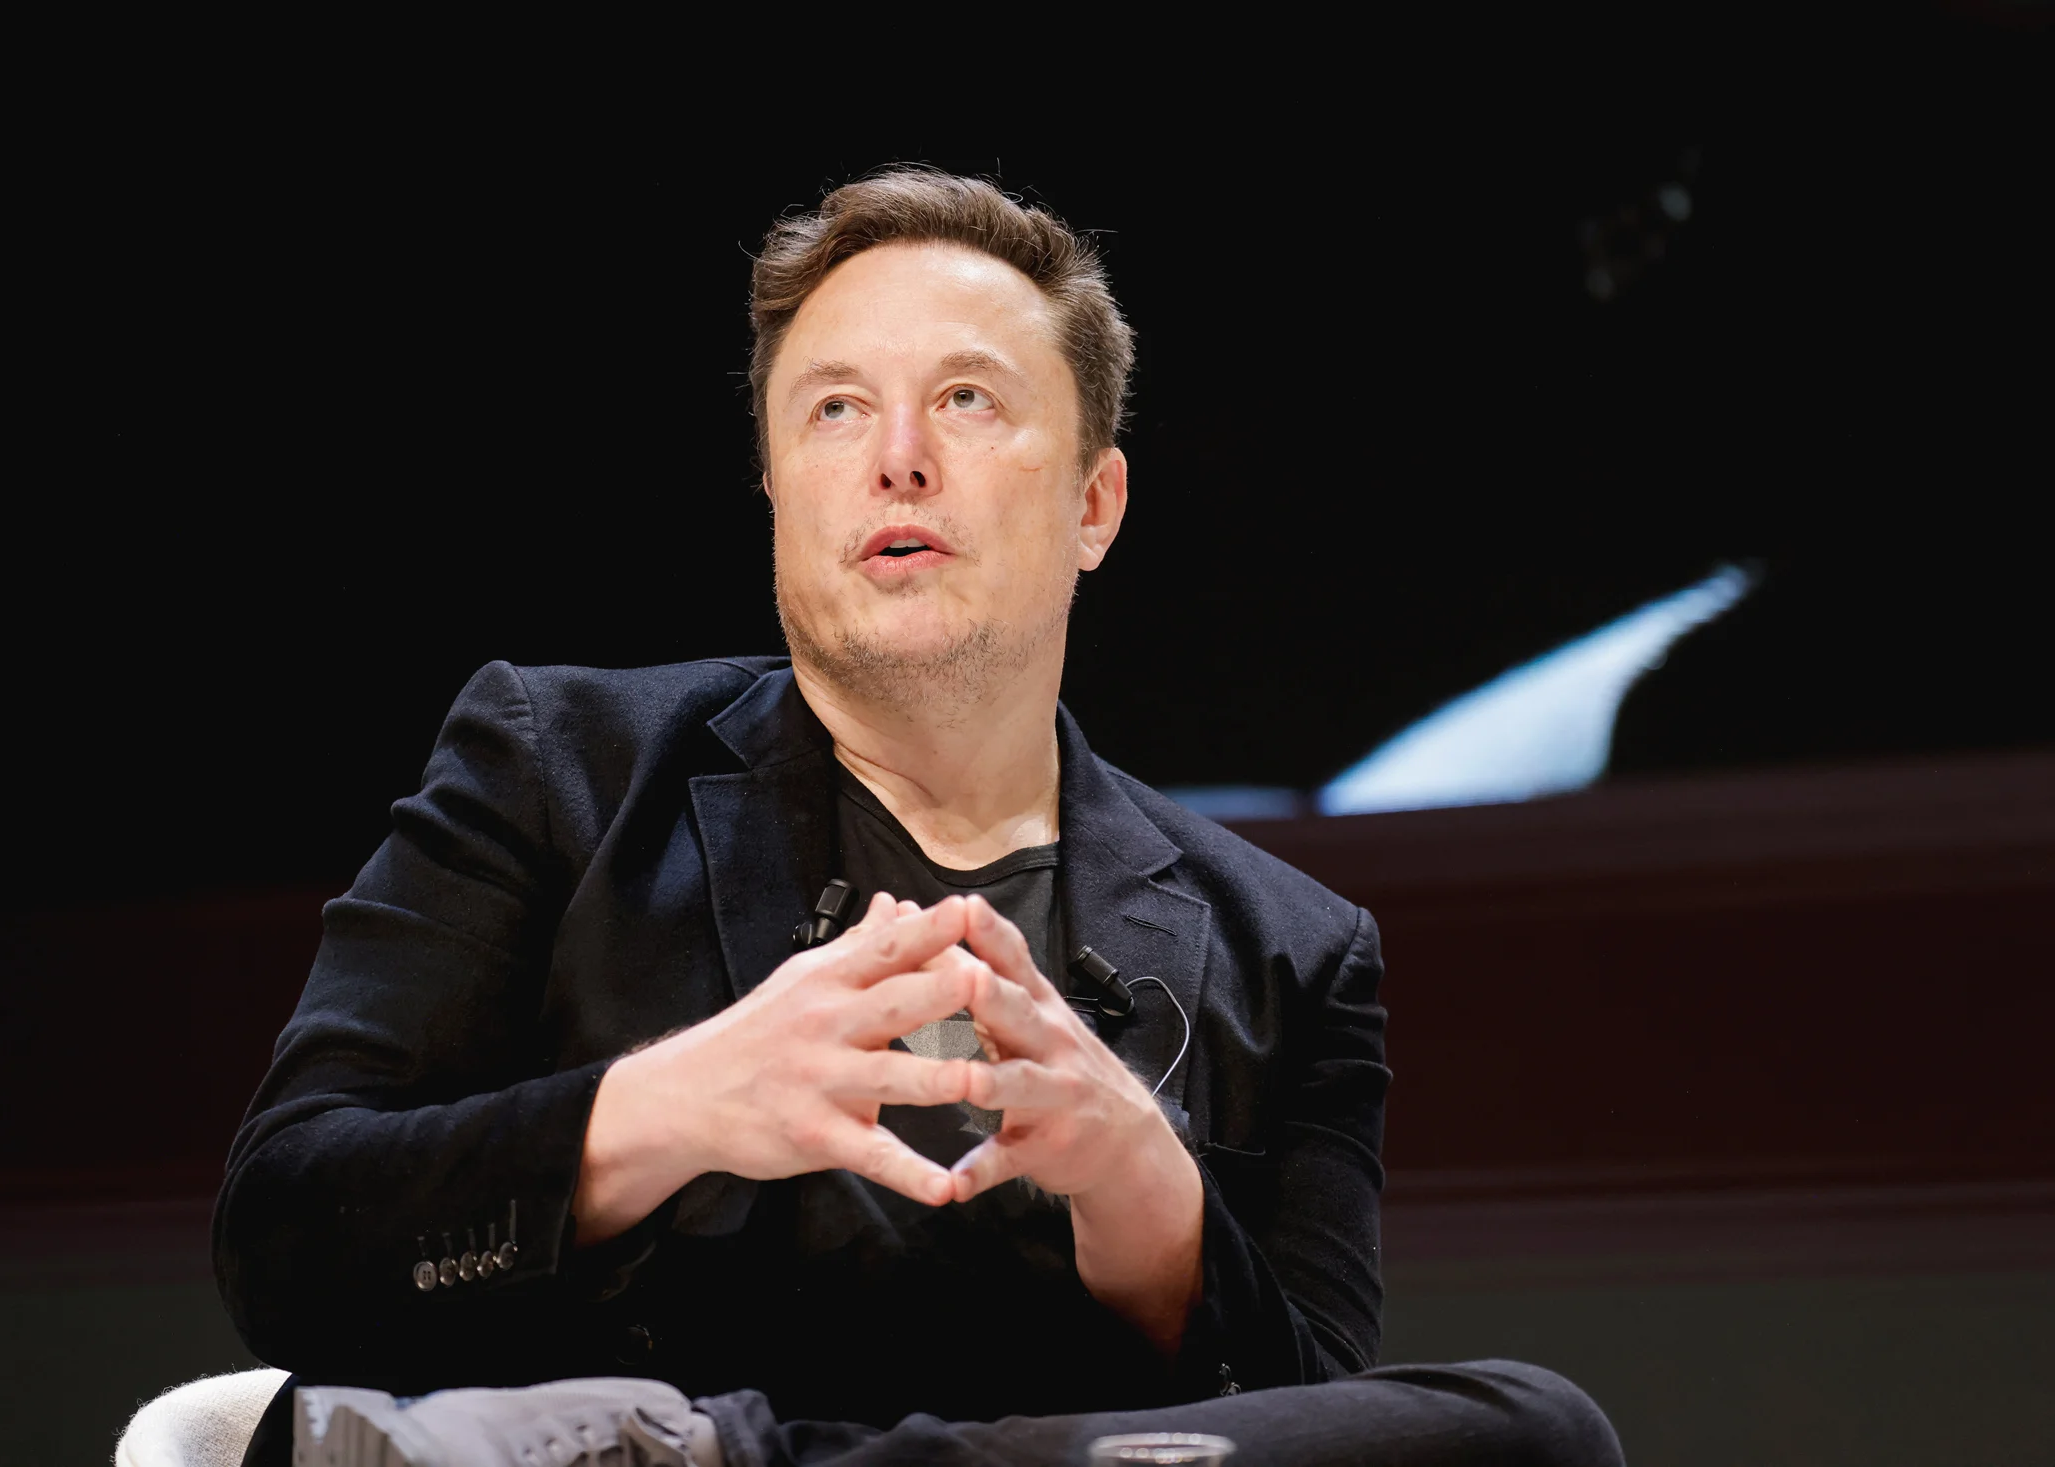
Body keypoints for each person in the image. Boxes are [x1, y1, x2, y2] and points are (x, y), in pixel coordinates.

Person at [217, 168, 1621, 1467]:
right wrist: (664, 1105)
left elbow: (1315, 1419)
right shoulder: (559, 765)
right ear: (776, 488)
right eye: (834, 407)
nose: (896, 455)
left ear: (1095, 500)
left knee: (1540, 1429)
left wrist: (1151, 1203)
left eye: (965, 400)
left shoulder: (1294, 953)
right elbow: (285, 1238)